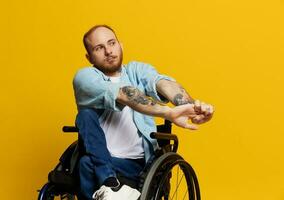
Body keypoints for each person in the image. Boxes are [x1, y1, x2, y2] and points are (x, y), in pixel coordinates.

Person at [72, 25, 214, 200]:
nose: (108, 51)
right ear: (89, 57)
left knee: (87, 164)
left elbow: (162, 83)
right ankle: (110, 184)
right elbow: (125, 93)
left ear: (120, 45)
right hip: (102, 159)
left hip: (136, 164)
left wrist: (191, 107)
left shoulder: (136, 71)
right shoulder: (84, 78)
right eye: (99, 48)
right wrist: (168, 113)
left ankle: (110, 186)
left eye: (112, 43)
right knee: (85, 128)